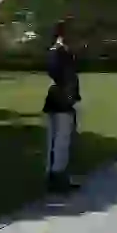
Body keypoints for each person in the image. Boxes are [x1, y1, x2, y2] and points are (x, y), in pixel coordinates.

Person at [44, 20, 81, 193]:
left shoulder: (63, 52)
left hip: (60, 97)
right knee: (60, 139)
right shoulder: (58, 52)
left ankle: (57, 174)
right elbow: (59, 75)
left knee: (59, 139)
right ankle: (56, 175)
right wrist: (69, 94)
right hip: (61, 98)